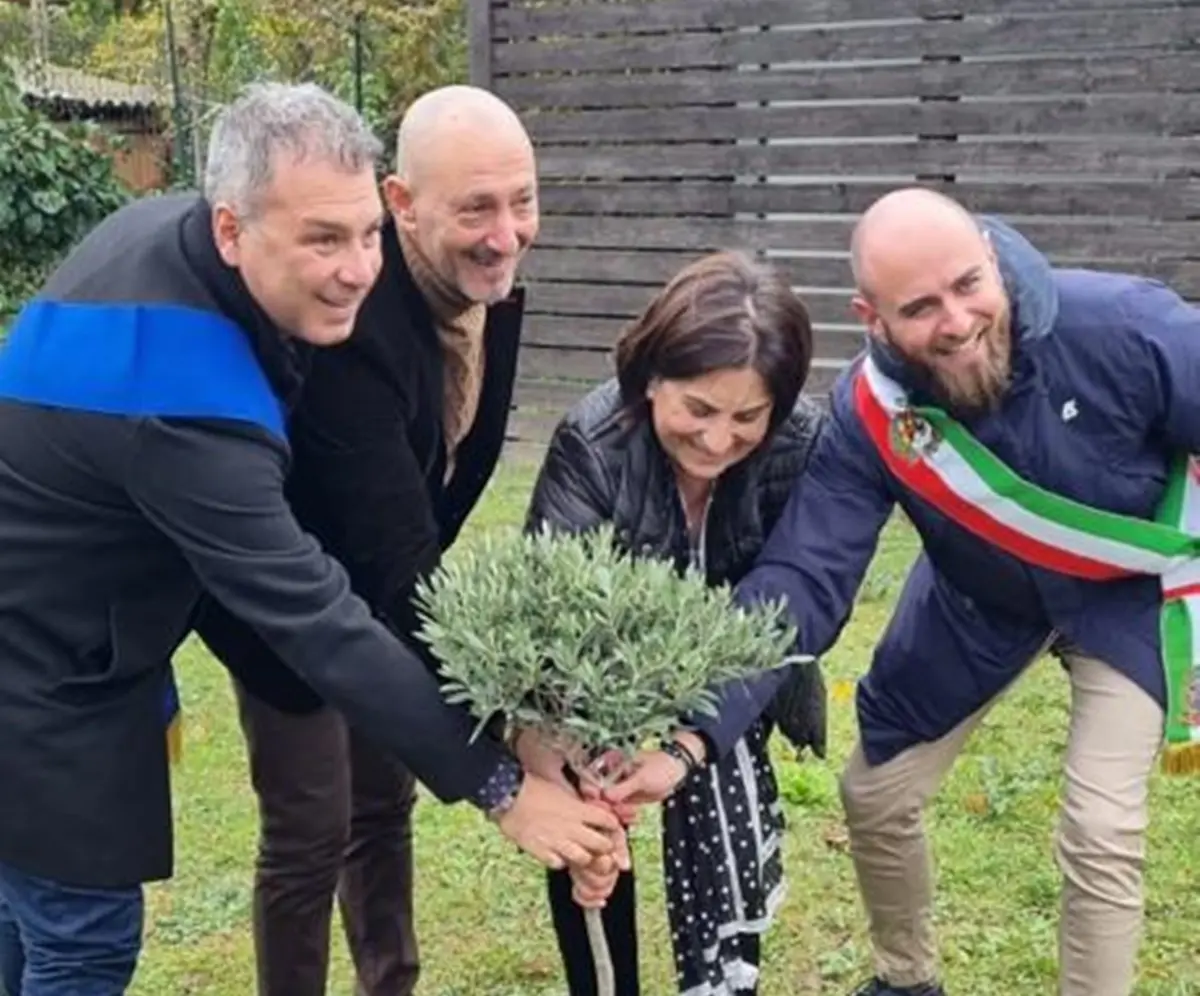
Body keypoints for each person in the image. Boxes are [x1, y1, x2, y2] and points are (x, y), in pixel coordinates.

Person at [0, 82, 622, 996]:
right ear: (230, 230)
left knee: (24, 916)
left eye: (368, 232)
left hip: (59, 621)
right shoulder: (185, 404)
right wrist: (498, 784)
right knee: (80, 939)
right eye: (323, 240)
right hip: (39, 675)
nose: (360, 269)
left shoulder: (155, 241)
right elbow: (316, 616)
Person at [607, 186, 1200, 996]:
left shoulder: (1126, 325)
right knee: (874, 791)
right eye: (920, 307)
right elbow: (804, 578)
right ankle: (904, 980)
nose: (955, 321)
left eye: (967, 286)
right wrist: (692, 734)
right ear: (872, 317)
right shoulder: (867, 415)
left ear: (991, 260)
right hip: (979, 601)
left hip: (1128, 595)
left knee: (1100, 828)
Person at [193, 84, 538, 996]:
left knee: (384, 805)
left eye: (522, 200)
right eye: (475, 208)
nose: (505, 233)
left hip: (388, 596)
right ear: (402, 204)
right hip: (292, 614)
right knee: (310, 831)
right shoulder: (355, 321)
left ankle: (391, 983)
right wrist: (510, 725)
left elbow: (444, 490)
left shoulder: (487, 289)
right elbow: (392, 548)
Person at [521, 250, 829, 996]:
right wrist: (557, 758)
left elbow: (793, 609)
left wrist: (688, 744)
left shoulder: (802, 445)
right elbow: (546, 628)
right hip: (607, 673)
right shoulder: (589, 443)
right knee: (591, 810)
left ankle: (722, 982)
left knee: (719, 801)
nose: (720, 441)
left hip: (732, 671)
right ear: (653, 377)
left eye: (748, 416)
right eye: (698, 409)